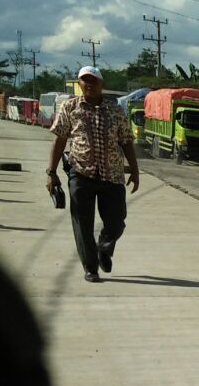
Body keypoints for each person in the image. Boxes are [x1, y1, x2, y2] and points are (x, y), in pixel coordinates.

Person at [46, 67, 139, 283]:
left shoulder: (115, 110)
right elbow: (60, 139)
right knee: (82, 224)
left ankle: (104, 247)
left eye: (93, 81)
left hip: (112, 175)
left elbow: (126, 140)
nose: (89, 84)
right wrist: (51, 172)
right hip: (80, 173)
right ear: (79, 84)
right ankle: (91, 268)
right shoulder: (70, 107)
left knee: (117, 222)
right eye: (84, 81)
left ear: (101, 84)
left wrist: (135, 170)